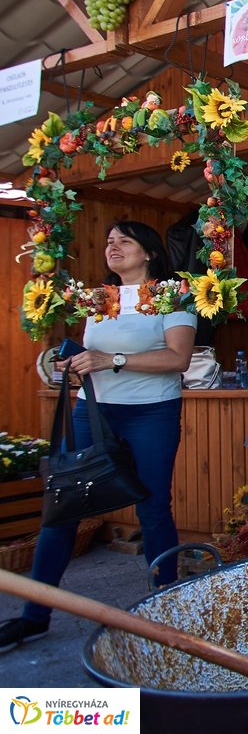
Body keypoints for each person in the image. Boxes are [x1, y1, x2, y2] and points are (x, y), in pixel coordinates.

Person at [1, 222, 196, 652]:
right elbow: (95, 355)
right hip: (93, 412)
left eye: (124, 240)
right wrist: (73, 363)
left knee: (153, 508)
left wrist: (113, 359)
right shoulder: (97, 300)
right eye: (108, 240)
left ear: (148, 252)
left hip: (151, 414)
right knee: (63, 507)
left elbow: (178, 358)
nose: (113, 247)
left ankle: (169, 611)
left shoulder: (174, 296)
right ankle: (33, 616)